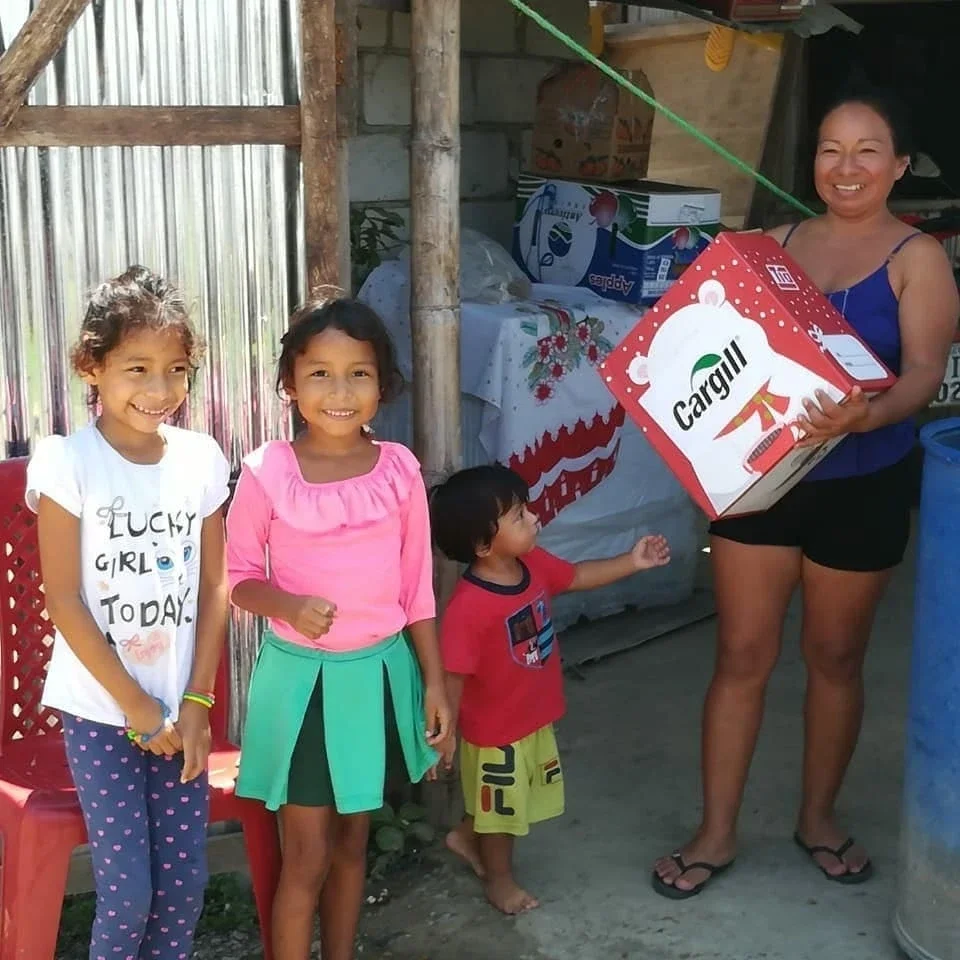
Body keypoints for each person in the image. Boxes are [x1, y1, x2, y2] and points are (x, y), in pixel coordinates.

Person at [652, 88, 960, 899]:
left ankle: (817, 818)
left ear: (898, 166)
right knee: (742, 655)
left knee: (834, 658)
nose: (846, 166)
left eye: (867, 149)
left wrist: (868, 417)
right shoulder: (771, 245)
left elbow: (926, 371)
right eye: (830, 148)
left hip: (863, 482)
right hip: (760, 483)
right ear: (813, 162)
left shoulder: (916, 258)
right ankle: (715, 832)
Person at [226, 297, 451, 960]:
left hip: (379, 679)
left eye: (359, 373)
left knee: (354, 842)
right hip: (302, 692)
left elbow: (417, 591)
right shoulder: (267, 472)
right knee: (307, 855)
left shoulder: (400, 470)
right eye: (319, 374)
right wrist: (289, 607)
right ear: (290, 384)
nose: (340, 391)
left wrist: (434, 684)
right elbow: (236, 577)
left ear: (383, 384)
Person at [27, 266, 231, 959]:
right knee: (130, 894)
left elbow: (214, 586)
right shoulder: (68, 463)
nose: (159, 390)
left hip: (181, 711)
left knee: (184, 888)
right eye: (136, 368)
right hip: (102, 713)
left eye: (176, 369)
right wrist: (136, 709)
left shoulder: (201, 459)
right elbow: (62, 596)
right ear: (92, 366)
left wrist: (197, 701)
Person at [431, 464, 671, 915]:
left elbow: (576, 576)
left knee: (505, 802)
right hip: (495, 734)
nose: (534, 519)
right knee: (504, 815)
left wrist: (631, 562)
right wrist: (448, 735)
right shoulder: (468, 609)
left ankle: (465, 835)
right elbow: (454, 677)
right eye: (519, 517)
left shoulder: (532, 564)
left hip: (530, 716)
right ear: (483, 544)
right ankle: (499, 880)